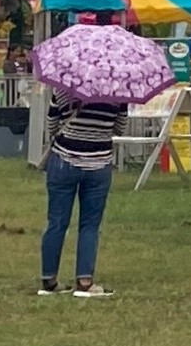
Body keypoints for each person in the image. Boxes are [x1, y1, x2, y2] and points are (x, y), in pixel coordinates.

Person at [37, 92, 128, 298]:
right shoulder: (118, 92)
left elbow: (52, 124)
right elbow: (119, 127)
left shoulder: (63, 88)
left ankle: (49, 280)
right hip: (98, 163)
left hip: (63, 160)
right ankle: (85, 282)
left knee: (56, 221)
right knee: (90, 224)